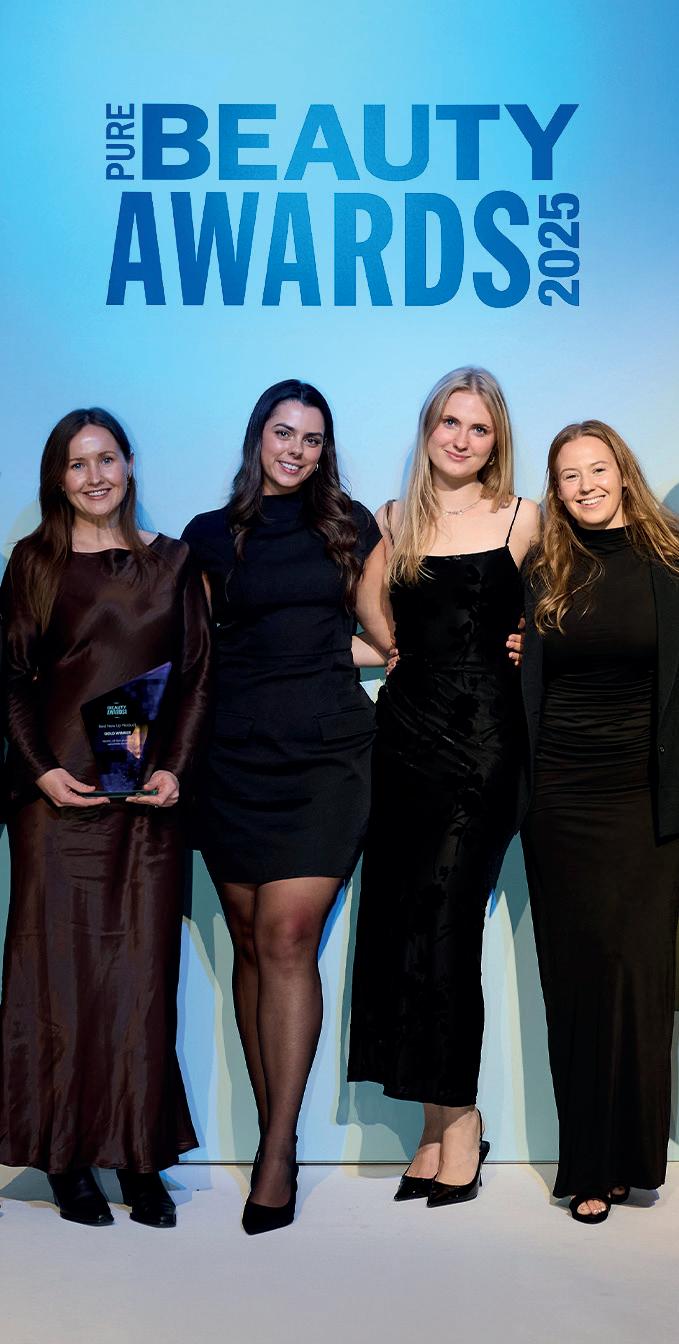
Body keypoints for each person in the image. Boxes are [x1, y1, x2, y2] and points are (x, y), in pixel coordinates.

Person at [182, 379, 390, 1234]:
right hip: (231, 759)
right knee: (247, 942)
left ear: (323, 448)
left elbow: (382, 634)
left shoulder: (350, 527)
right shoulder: (208, 536)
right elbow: (192, 654)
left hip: (326, 758)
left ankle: (275, 1154)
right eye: (282, 433)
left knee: (286, 937)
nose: (295, 450)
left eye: (310, 438)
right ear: (257, 437)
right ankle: (278, 1135)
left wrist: (487, 642)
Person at [0, 408, 210, 1228]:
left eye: (108, 459)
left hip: (144, 805)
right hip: (55, 805)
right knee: (56, 981)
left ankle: (139, 1157)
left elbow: (196, 677)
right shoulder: (34, 563)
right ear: (58, 479)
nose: (95, 476)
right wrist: (41, 771)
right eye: (78, 463)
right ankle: (66, 1160)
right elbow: (11, 678)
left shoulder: (173, 563)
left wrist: (173, 770)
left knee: (140, 983)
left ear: (129, 465)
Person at [348, 367, 538, 1206]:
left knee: (448, 928)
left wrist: (530, 642)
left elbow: (562, 612)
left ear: (496, 443)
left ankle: (461, 1119)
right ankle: (432, 1125)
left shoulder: (524, 518)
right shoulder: (395, 520)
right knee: (402, 926)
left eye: (478, 428)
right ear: (428, 429)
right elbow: (369, 613)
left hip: (485, 746)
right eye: (449, 423)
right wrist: (392, 650)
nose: (461, 439)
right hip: (405, 742)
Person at [519, 419, 679, 1224]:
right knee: (578, 982)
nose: (585, 486)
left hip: (648, 801)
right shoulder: (545, 567)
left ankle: (631, 1159)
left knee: (639, 980)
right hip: (562, 798)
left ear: (622, 472)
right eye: (568, 476)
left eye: (597, 469)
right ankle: (587, 1164)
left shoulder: (670, 559)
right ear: (555, 489)